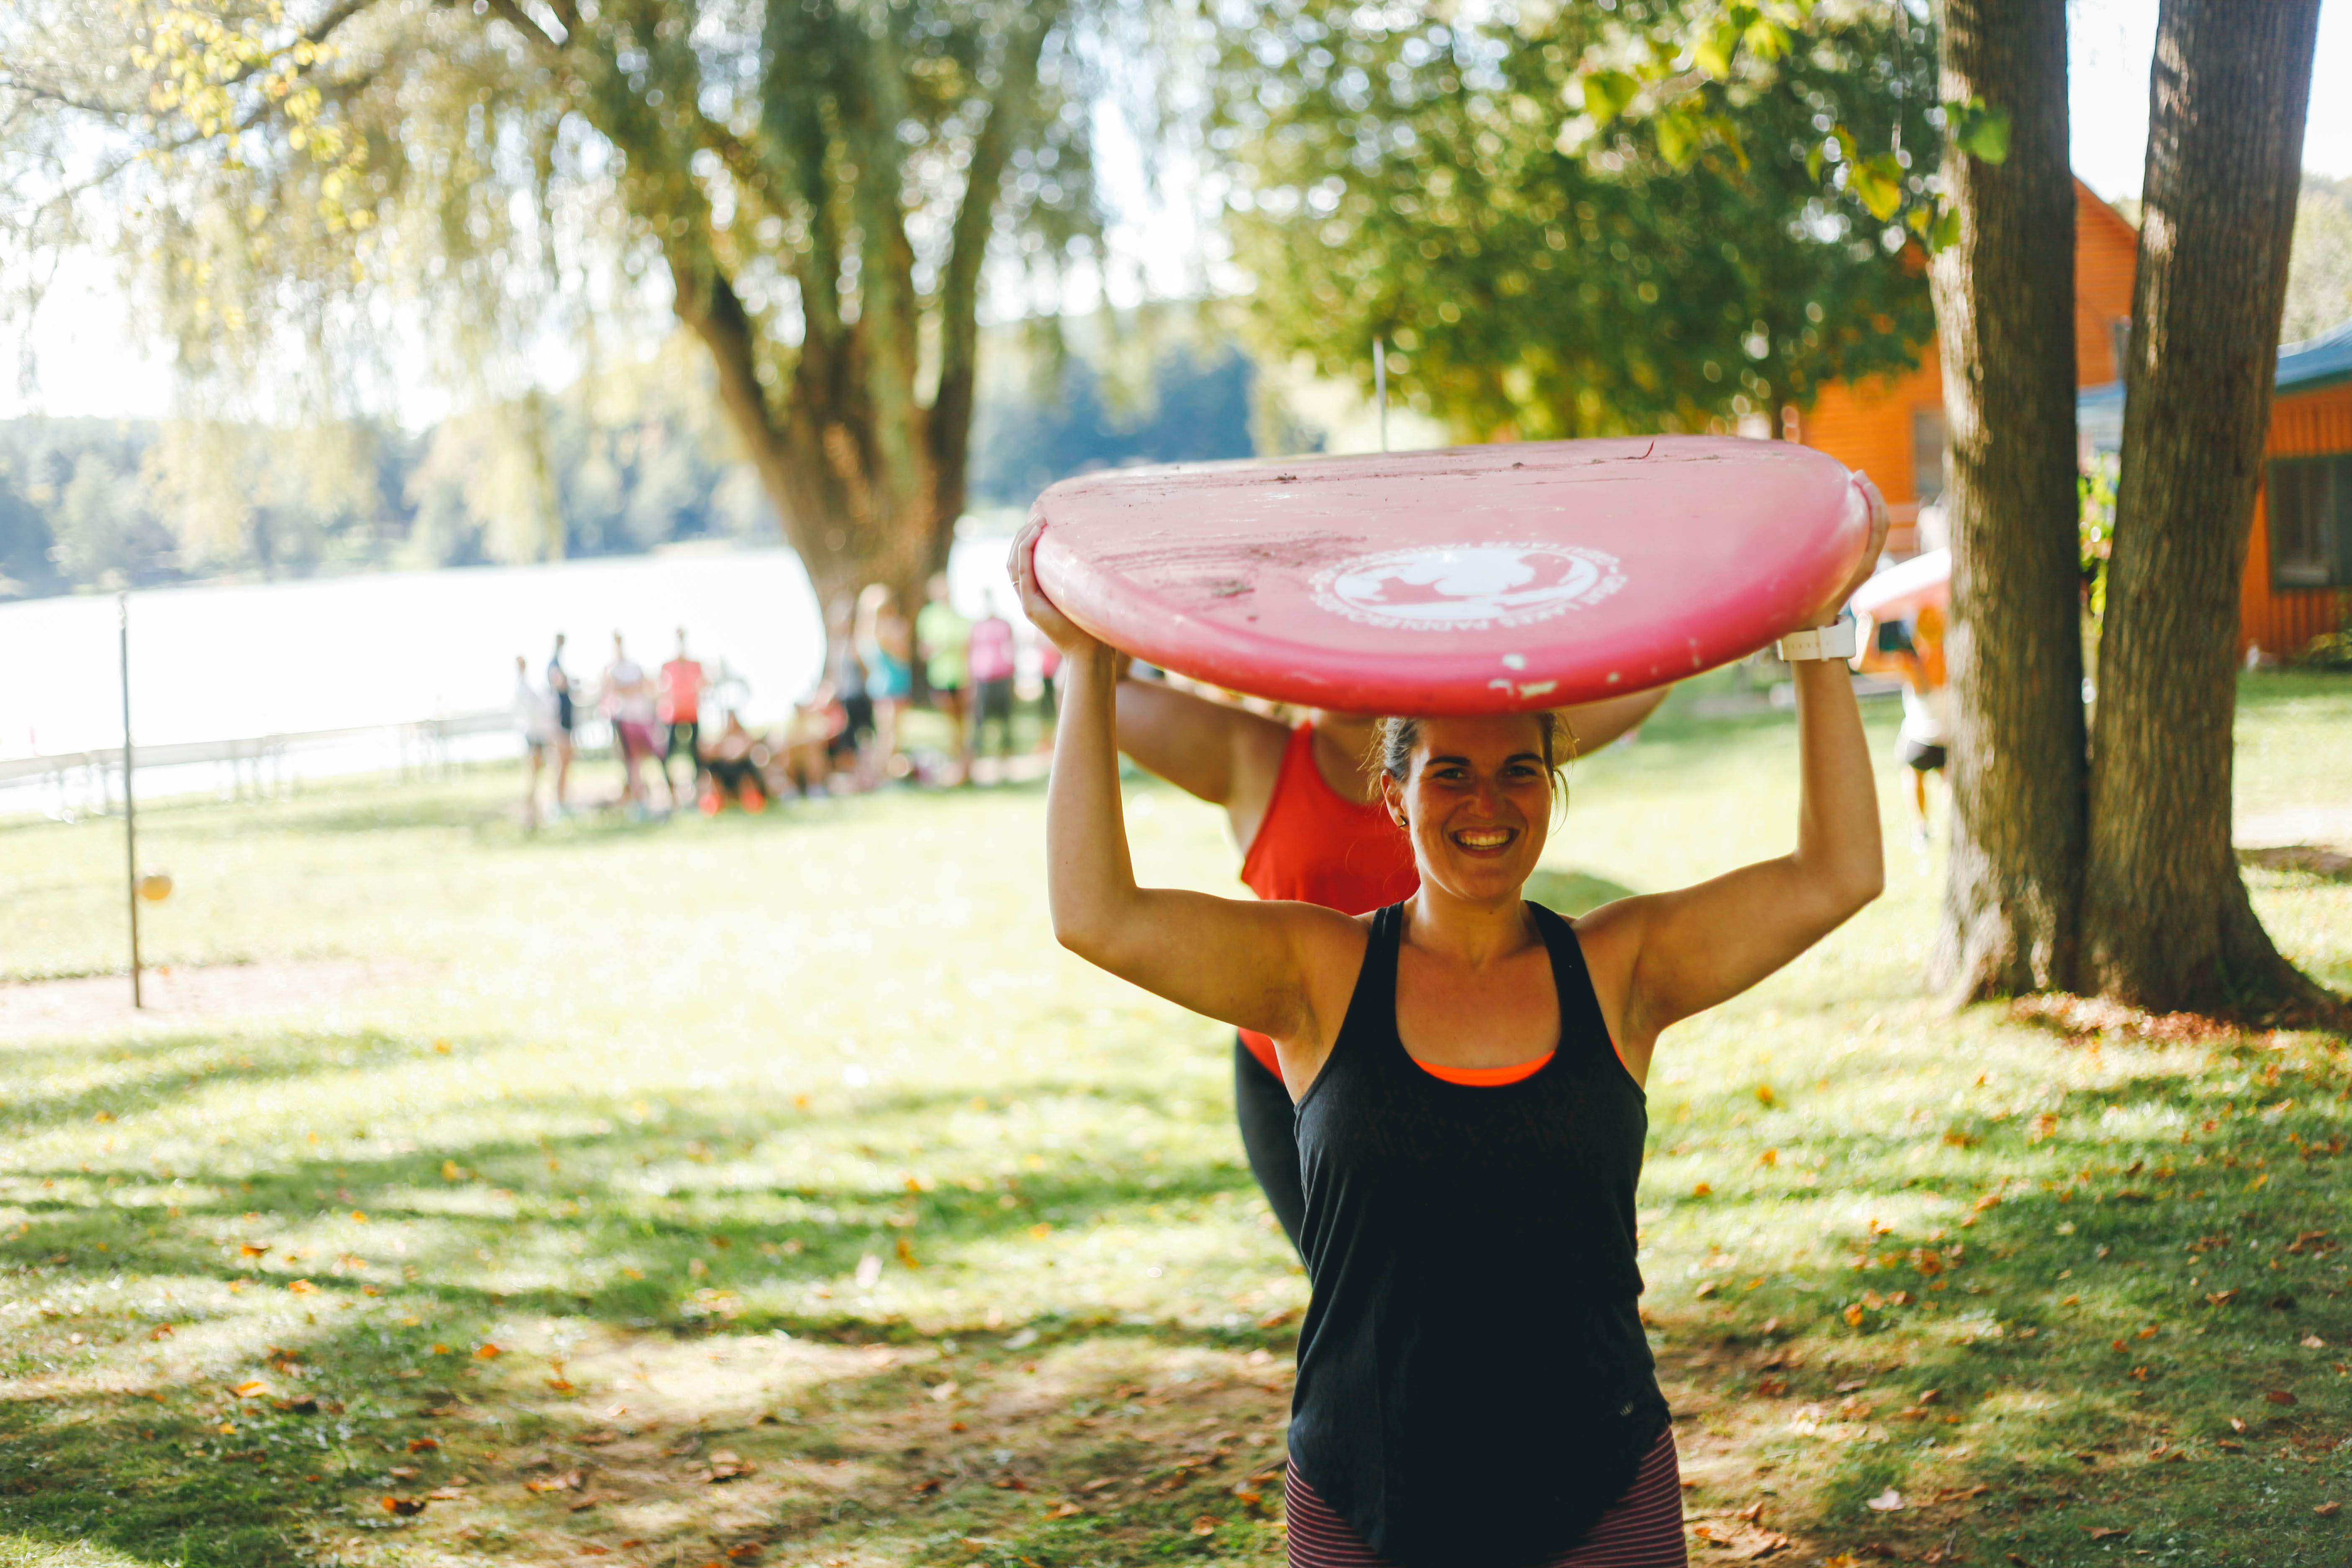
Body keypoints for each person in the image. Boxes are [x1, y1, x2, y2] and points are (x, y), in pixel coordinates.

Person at [1007, 477, 1887, 1568]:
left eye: (1521, 770)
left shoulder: (1624, 970)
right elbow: (1096, 914)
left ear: (1554, 783)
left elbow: (1840, 871)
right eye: (1450, 773)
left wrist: (1822, 638)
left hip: (1597, 1490)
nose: (1487, 803)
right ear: (1396, 792)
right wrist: (1087, 664)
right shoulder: (1314, 975)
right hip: (1367, 1497)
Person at [1112, 672, 1669, 1253]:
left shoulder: (1475, 748)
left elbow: (1649, 674)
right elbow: (1103, 683)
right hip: (1290, 1074)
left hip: (1450, 1060)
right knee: (1356, 1286)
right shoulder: (1251, 753)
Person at [1857, 601, 1948, 850]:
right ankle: (1927, 830)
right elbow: (1863, 663)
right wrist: (1869, 623)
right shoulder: (1926, 663)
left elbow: (1862, 663)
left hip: (1936, 740)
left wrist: (1869, 625)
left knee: (1928, 783)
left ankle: (1925, 831)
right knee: (1926, 781)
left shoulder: (1925, 663)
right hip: (1934, 740)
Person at [915, 573, 974, 784]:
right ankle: (957, 765)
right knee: (950, 724)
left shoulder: (961, 619)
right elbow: (924, 649)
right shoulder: (927, 617)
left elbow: (968, 650)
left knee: (964, 724)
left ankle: (967, 768)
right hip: (940, 678)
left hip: (961, 677)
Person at [855, 583, 914, 780]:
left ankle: (885, 775)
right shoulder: (866, 632)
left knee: (891, 735)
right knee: (886, 735)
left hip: (896, 686)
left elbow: (904, 657)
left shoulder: (894, 628)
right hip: (880, 688)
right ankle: (881, 775)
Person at [602, 632, 664, 813]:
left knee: (653, 758)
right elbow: (617, 689)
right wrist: (632, 687)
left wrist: (630, 687)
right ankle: (640, 802)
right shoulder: (611, 669)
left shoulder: (635, 667)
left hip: (644, 719)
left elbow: (646, 687)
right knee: (633, 763)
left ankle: (655, 798)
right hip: (626, 720)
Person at [967, 595, 1019, 778]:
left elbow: (1012, 651)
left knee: (1004, 724)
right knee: (980, 724)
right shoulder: (976, 627)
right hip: (983, 680)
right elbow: (970, 653)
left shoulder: (1005, 626)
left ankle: (1004, 767)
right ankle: (976, 769)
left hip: (1002, 678)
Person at [511, 655, 560, 828]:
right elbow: (535, 713)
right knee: (534, 777)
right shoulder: (523, 688)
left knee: (538, 776)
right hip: (534, 737)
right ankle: (531, 815)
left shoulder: (525, 687)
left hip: (537, 736)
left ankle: (535, 814)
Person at [660, 629, 706, 805]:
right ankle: (671, 794)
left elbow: (702, 685)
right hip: (673, 715)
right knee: (668, 754)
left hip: (692, 713)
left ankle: (698, 793)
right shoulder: (668, 665)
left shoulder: (696, 665)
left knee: (696, 755)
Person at [545, 633, 576, 815]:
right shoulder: (554, 665)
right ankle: (558, 805)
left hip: (565, 726)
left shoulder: (557, 663)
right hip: (559, 728)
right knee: (560, 765)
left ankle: (562, 801)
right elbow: (559, 683)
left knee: (565, 764)